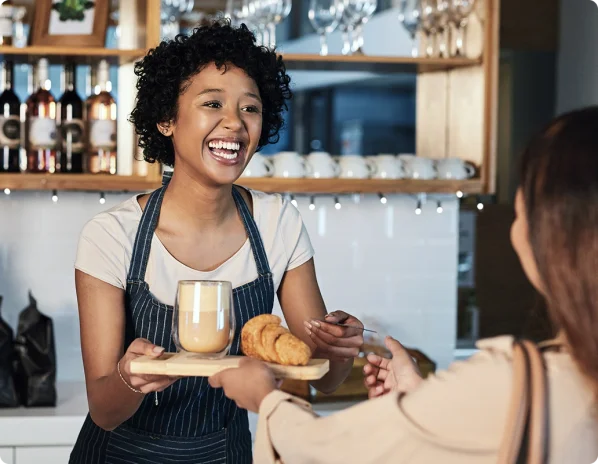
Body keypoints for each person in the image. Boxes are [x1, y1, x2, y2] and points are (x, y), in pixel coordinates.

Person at [209, 107, 598, 463]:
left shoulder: (518, 383)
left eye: (522, 209)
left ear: (554, 236)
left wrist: (266, 399)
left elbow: (330, 449)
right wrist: (419, 402)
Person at [69, 21, 364, 464]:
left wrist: (339, 349)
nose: (235, 124)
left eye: (251, 109)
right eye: (212, 103)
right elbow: (104, 410)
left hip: (225, 453)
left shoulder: (277, 222)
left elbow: (321, 376)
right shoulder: (113, 235)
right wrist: (131, 378)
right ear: (166, 120)